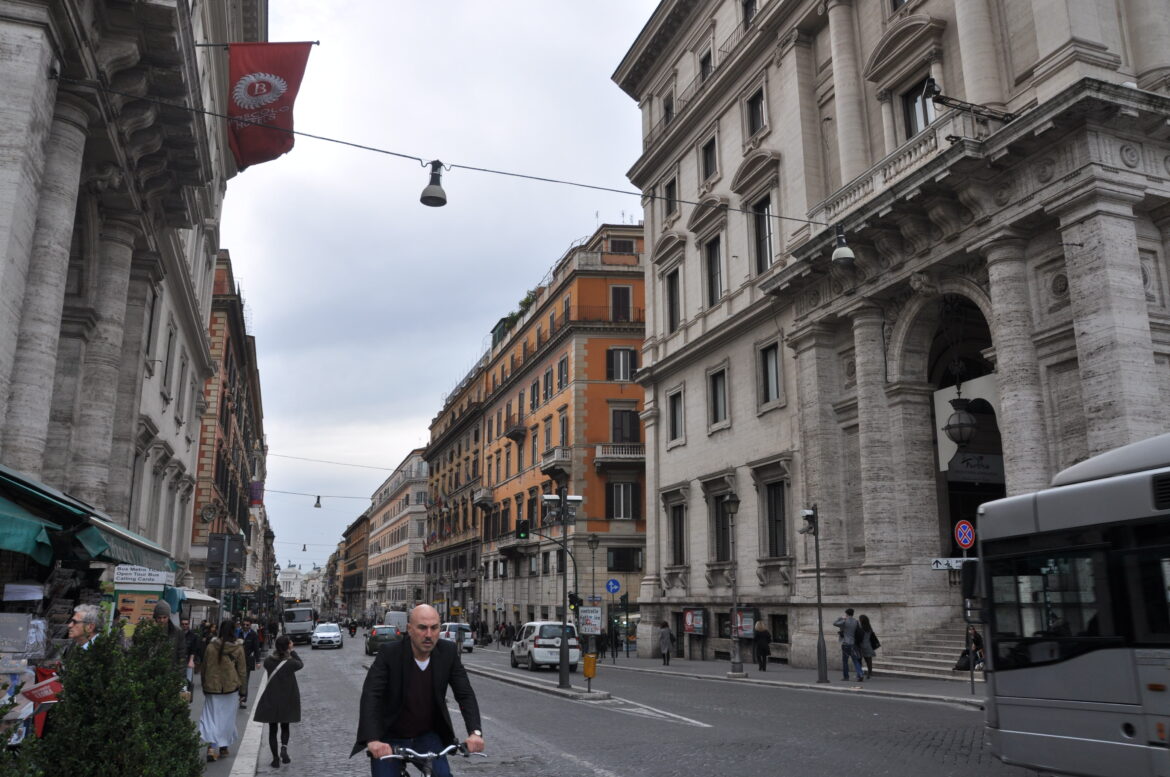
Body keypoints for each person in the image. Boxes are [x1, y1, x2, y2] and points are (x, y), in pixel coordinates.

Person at [352, 604, 485, 777]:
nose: (428, 634)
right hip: (390, 737)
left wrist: (475, 732)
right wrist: (372, 740)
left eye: (434, 628)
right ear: (409, 629)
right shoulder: (389, 654)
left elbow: (465, 694)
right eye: (422, 628)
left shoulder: (448, 652)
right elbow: (371, 696)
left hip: (426, 735)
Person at [200, 619, 247, 762]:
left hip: (212, 687)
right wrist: (243, 691)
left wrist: (204, 685)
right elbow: (242, 671)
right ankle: (223, 746)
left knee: (211, 719)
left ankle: (212, 746)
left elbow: (204, 668)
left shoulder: (210, 647)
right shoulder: (238, 648)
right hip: (230, 688)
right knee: (227, 719)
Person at [254, 635, 303, 768]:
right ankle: (284, 749)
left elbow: (271, 662)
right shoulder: (291, 663)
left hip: (272, 699)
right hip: (287, 699)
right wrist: (292, 651)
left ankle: (275, 759)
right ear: (288, 646)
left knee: (272, 729)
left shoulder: (269, 662)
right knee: (285, 726)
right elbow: (300, 663)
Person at [833, 608, 865, 682]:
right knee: (855, 660)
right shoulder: (856, 621)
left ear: (846, 614)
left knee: (845, 661)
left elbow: (834, 623)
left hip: (845, 643)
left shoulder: (844, 621)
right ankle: (860, 674)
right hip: (853, 643)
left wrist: (841, 618)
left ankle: (846, 677)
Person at [240, 617, 261, 708]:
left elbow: (256, 649)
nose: (245, 626)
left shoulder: (253, 635)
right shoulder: (238, 633)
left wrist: (258, 661)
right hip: (236, 661)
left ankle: (243, 700)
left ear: (250, 625)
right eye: (244, 624)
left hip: (247, 661)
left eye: (247, 625)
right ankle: (237, 697)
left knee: (245, 680)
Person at [857, 614, 879, 678]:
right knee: (868, 660)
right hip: (868, 645)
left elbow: (858, 636)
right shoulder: (869, 627)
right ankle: (870, 673)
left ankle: (860, 673)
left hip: (861, 645)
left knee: (859, 660)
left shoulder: (860, 627)